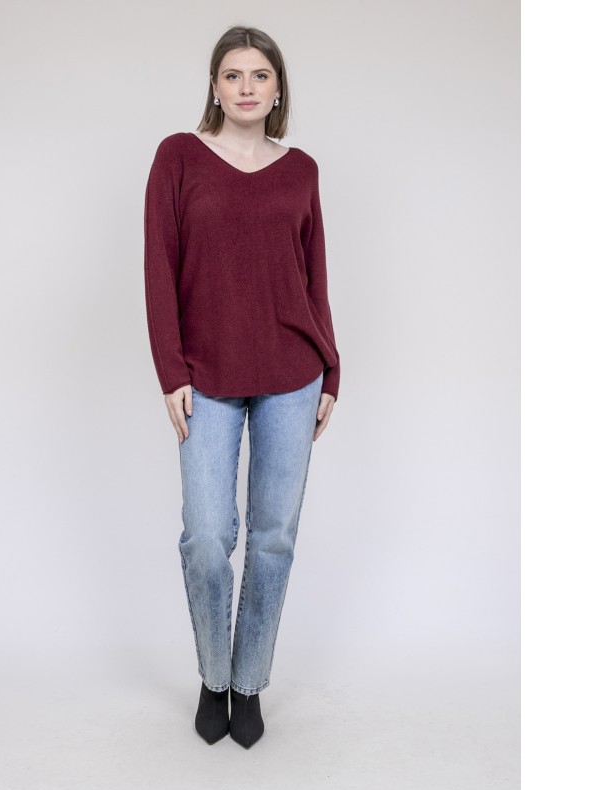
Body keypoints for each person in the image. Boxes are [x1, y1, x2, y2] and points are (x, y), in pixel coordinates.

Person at [143, 25, 341, 749]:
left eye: (260, 75)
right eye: (233, 75)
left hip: (294, 372)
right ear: (215, 86)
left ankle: (249, 683)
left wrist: (332, 371)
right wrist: (171, 370)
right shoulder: (178, 157)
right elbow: (158, 266)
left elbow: (314, 277)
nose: (247, 87)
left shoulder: (302, 171)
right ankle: (214, 675)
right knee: (207, 536)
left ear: (278, 88)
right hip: (207, 375)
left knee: (273, 537)